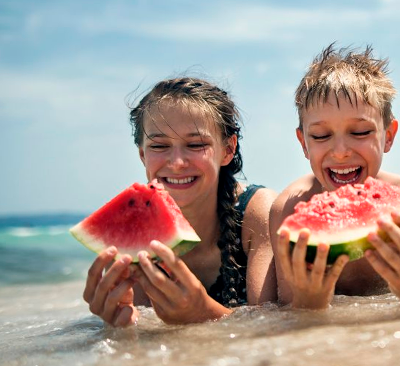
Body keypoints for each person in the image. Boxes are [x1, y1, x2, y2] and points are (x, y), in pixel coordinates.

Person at [83, 77, 277, 326]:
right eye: (159, 145)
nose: (176, 163)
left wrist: (202, 311)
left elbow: (274, 327)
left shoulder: (258, 211)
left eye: (196, 144)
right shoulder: (136, 233)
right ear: (143, 155)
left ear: (228, 149)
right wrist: (122, 326)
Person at [270, 44, 400, 309]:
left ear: (388, 135)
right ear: (303, 143)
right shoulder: (288, 210)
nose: (340, 152)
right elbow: (285, 311)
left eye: (361, 132)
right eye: (320, 136)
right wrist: (308, 303)